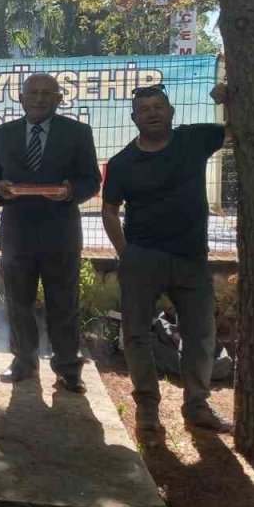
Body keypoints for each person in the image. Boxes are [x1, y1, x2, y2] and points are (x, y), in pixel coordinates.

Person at [101, 82, 234, 435]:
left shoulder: (194, 140)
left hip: (192, 258)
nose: (153, 113)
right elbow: (109, 210)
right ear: (134, 118)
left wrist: (230, 100)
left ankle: (196, 405)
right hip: (142, 258)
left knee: (201, 334)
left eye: (159, 107)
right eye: (145, 109)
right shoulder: (121, 163)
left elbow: (237, 133)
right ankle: (147, 406)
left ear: (171, 112)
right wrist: (126, 254)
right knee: (136, 335)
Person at [0, 73, 102, 392]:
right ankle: (24, 361)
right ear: (21, 98)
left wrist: (71, 191)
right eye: (33, 93)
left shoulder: (77, 133)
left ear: (59, 98)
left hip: (60, 232)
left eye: (47, 93)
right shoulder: (0, 135)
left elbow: (91, 179)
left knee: (64, 301)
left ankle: (67, 367)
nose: (39, 99)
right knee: (18, 302)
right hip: (17, 233)